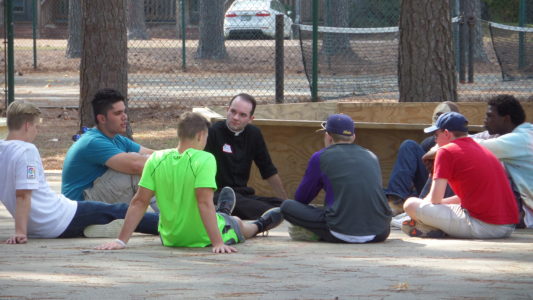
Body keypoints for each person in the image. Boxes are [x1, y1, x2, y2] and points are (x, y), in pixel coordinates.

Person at [96, 112, 283, 253]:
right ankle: (261, 224)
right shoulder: (205, 159)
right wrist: (218, 243)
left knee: (222, 216)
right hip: (203, 238)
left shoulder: (155, 159)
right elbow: (203, 202)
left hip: (170, 238)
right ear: (201, 135)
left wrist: (121, 241)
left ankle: (223, 212)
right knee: (238, 223)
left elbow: (139, 201)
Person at [0, 100, 158, 244]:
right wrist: (20, 232)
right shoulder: (26, 150)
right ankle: (168, 225)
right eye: (36, 127)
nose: (37, 132)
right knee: (118, 211)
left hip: (39, 226)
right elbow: (23, 194)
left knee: (105, 212)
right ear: (27, 125)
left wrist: (24, 228)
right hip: (58, 218)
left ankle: (94, 227)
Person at [402, 112, 519, 239]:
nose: (434, 140)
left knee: (410, 204)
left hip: (484, 226)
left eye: (436, 135)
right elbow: (468, 197)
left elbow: (435, 199)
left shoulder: (445, 151)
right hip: (507, 227)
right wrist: (438, 205)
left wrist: (417, 211)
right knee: (428, 207)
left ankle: (428, 225)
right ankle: (432, 226)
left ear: (446, 133)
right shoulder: (482, 149)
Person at [280, 114, 392, 243]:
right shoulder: (371, 156)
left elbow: (302, 199)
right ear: (353, 137)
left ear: (328, 136)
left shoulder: (320, 157)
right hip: (379, 232)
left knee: (287, 206)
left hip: (339, 231)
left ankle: (319, 233)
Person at [61, 88, 156, 209]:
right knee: (143, 170)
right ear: (102, 119)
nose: (124, 117)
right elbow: (137, 165)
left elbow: (153, 154)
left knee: (149, 162)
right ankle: (171, 222)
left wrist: (181, 156)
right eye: (118, 113)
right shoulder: (92, 142)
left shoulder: (117, 139)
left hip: (95, 198)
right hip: (80, 207)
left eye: (124, 112)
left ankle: (171, 218)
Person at [204, 93, 288, 220]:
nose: (236, 117)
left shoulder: (254, 134)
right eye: (233, 112)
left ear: (250, 118)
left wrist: (285, 201)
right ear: (227, 110)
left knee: (282, 205)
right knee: (267, 210)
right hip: (219, 195)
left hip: (243, 194)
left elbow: (268, 169)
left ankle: (282, 211)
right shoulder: (213, 132)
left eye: (242, 115)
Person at [385, 101, 459, 215]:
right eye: (435, 132)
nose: (436, 135)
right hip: (429, 187)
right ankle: (396, 200)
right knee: (408, 145)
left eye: (439, 132)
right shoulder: (429, 142)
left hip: (449, 192)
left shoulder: (465, 144)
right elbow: (417, 168)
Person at [476, 94, 533, 228]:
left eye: (490, 116)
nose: (485, 120)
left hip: (527, 214)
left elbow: (469, 146)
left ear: (506, 119)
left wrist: (443, 143)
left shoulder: (519, 140)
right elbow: (472, 138)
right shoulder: (519, 132)